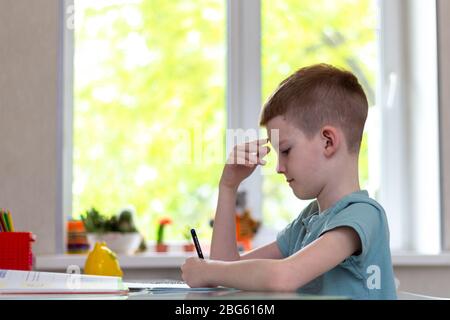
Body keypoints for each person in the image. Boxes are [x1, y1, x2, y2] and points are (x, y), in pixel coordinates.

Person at [181, 63, 397, 300]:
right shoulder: (307, 222)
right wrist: (228, 187)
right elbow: (227, 272)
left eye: (285, 150)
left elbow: (284, 277)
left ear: (328, 141)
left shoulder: (363, 215)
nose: (279, 167)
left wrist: (207, 270)